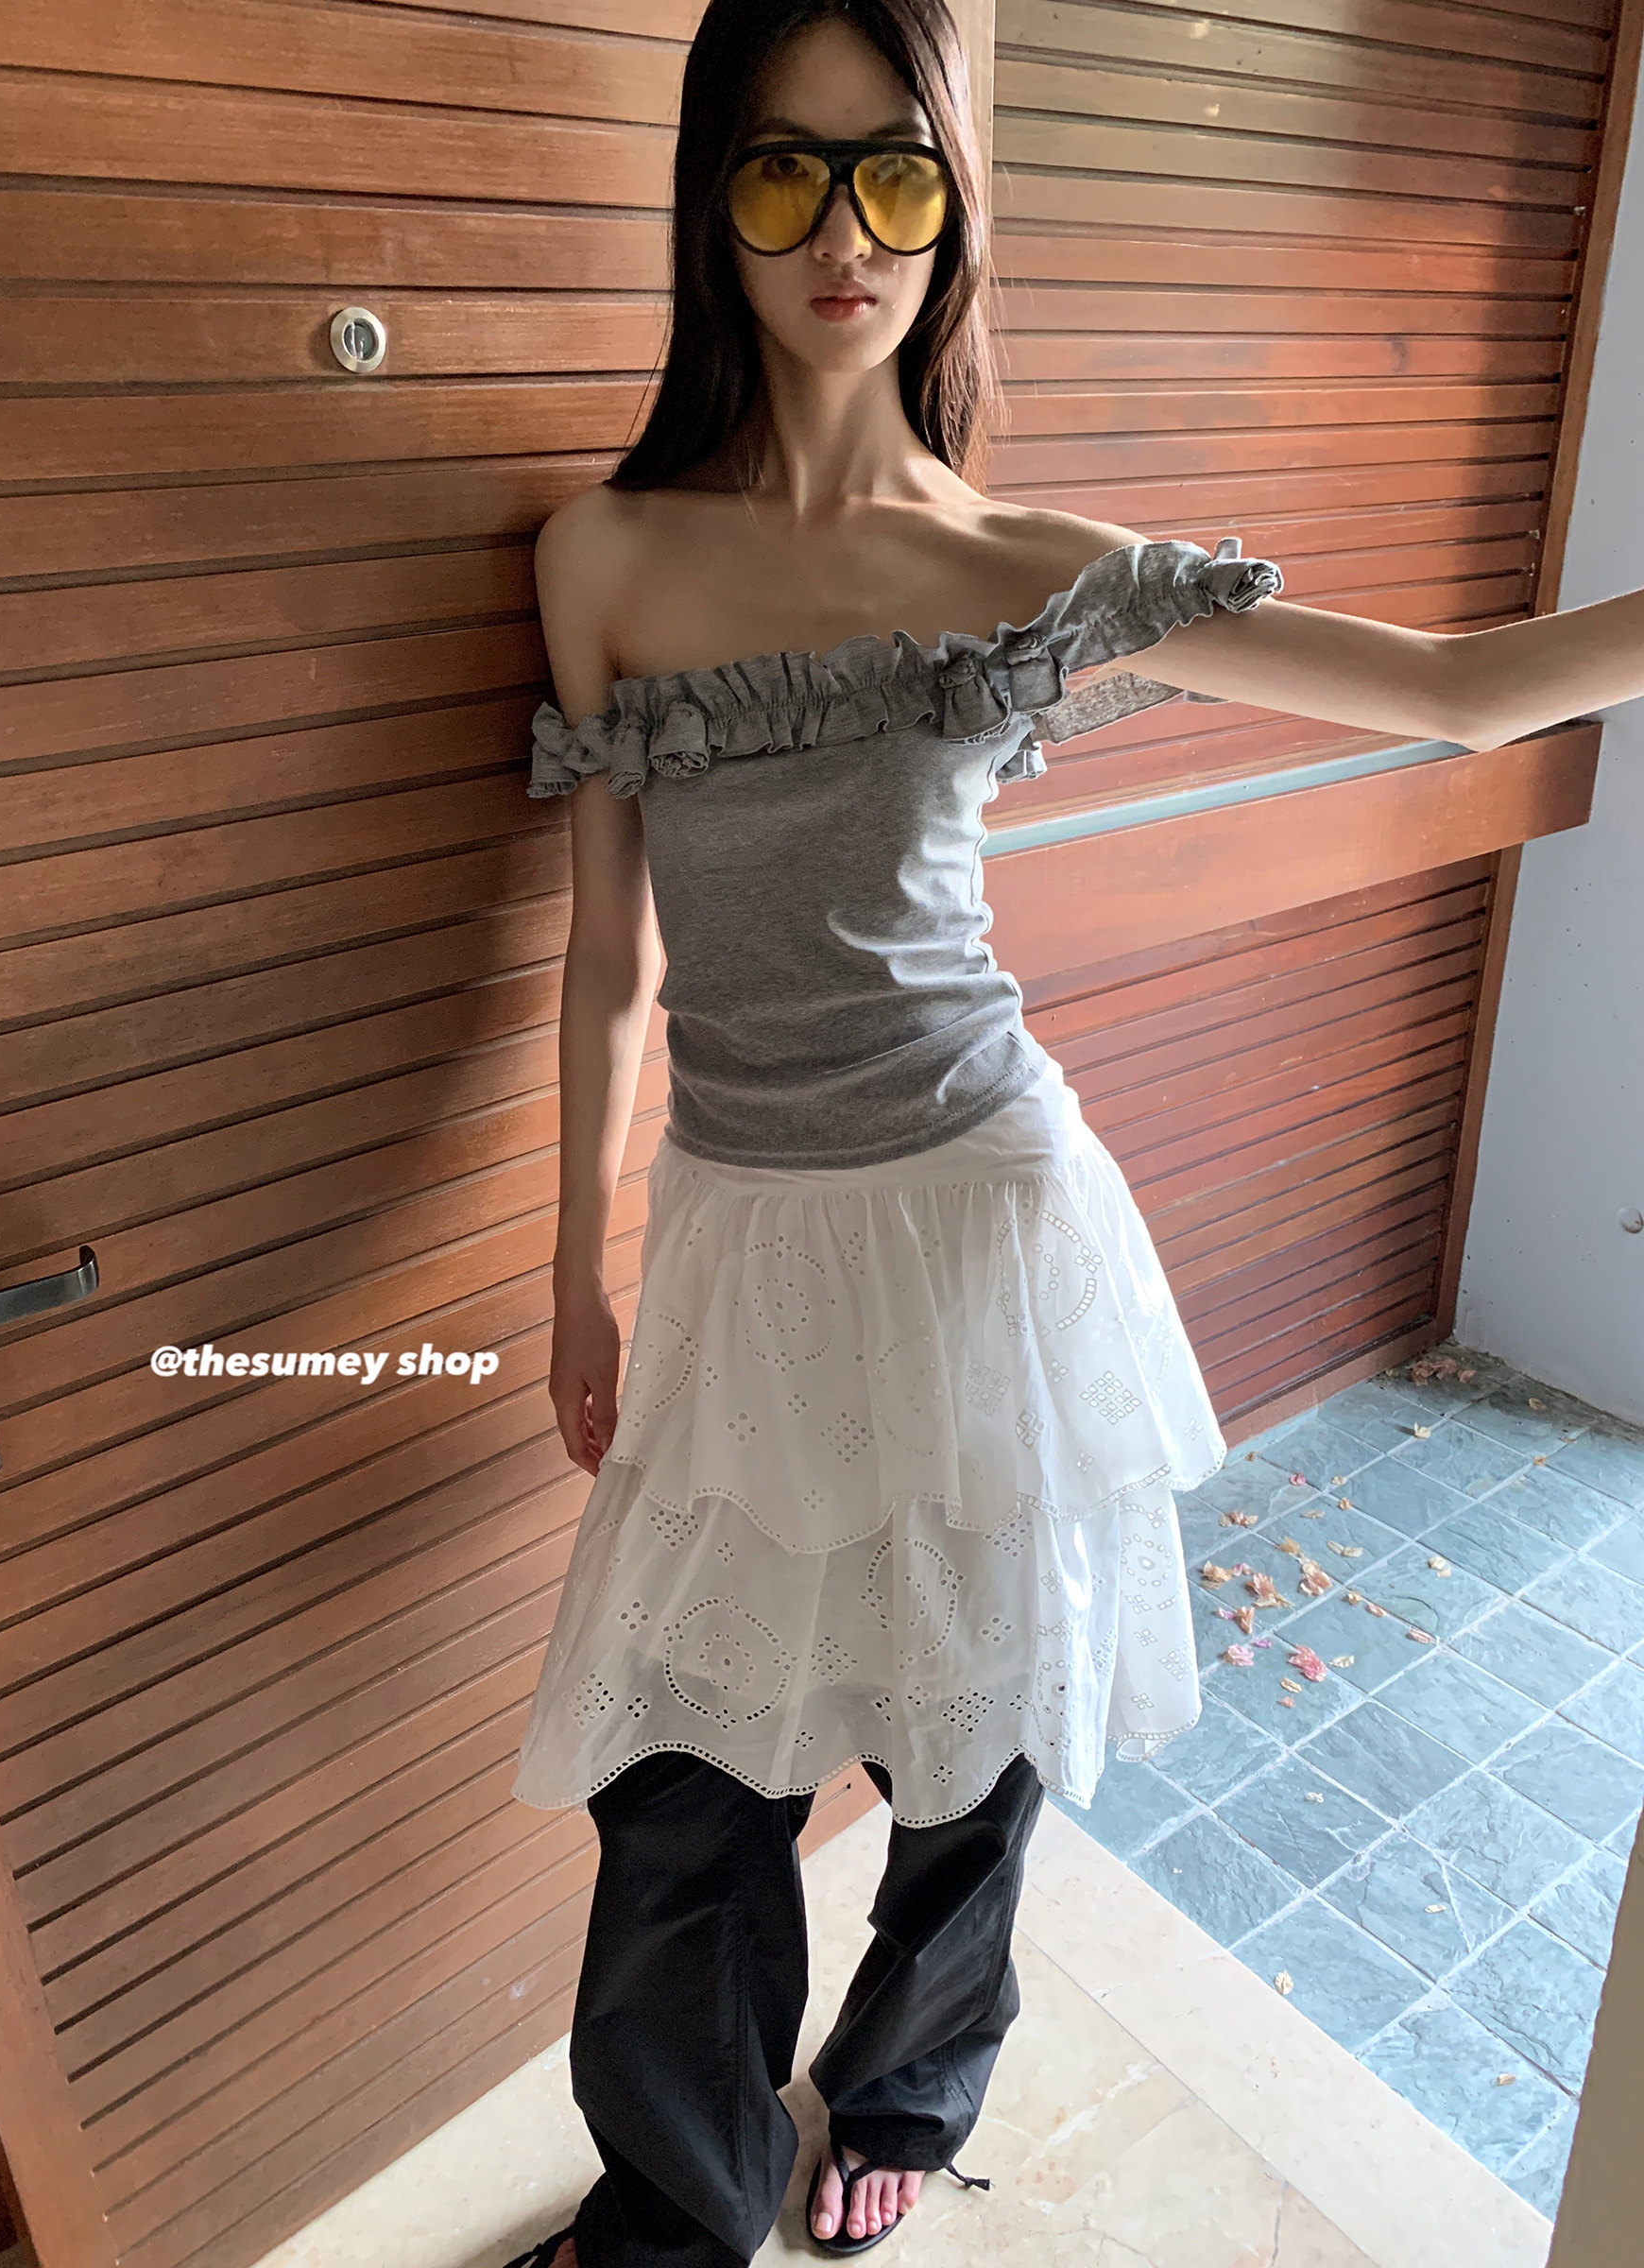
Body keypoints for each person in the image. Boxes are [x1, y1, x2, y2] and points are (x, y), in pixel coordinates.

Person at [505, 2, 1644, 2261]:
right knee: (680, 1784)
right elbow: (612, 961)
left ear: (954, 209)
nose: (845, 235)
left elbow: (1454, 689)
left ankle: (907, 2096)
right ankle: (680, 2209)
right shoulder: (603, 554)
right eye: (786, 171)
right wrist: (574, 1269)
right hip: (739, 1229)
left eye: (897, 175)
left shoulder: (1020, 561)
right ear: (711, 201)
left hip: (980, 1214)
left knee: (978, 1728)